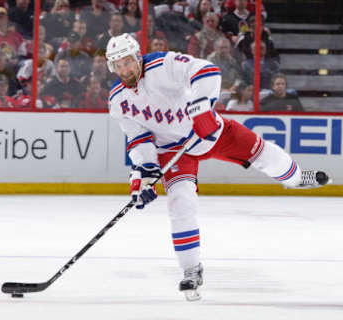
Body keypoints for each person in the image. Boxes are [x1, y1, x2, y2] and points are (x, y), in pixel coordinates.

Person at [105, 33, 331, 301]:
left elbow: (206, 70)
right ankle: (191, 269)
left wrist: (201, 111)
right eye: (118, 65)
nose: (124, 69)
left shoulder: (161, 64)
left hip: (210, 132)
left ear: (138, 56)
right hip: (173, 152)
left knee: (266, 154)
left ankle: (294, 178)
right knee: (181, 203)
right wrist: (142, 177)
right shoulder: (117, 100)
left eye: (128, 62)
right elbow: (139, 139)